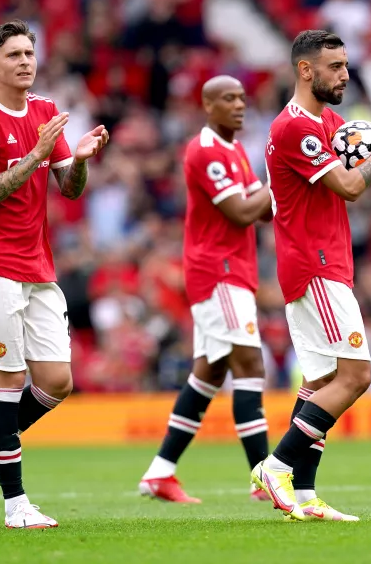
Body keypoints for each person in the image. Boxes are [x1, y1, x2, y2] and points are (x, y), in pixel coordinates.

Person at [0, 19, 109, 529]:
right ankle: (16, 505)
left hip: (36, 263)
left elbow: (70, 189)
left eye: (30, 52)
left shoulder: (46, 111)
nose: (26, 61)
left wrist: (76, 161)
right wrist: (36, 154)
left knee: (57, 381)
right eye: (14, 54)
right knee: (9, 379)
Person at [251, 30, 371, 521]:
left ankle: (303, 494)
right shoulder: (295, 128)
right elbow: (350, 185)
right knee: (356, 376)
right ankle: (277, 465)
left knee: (323, 379)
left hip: (325, 261)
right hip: (315, 264)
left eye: (346, 65)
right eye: (336, 67)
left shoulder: (327, 120)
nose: (345, 75)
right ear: (306, 70)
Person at [138, 76, 273, 503]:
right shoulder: (205, 151)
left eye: (242, 98)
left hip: (233, 270)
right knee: (249, 364)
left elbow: (263, 211)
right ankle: (264, 476)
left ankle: (159, 473)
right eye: (228, 98)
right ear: (207, 105)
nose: (239, 105)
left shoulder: (234, 151)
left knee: (211, 372)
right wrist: (285, 177)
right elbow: (240, 211)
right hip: (219, 271)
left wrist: (281, 185)